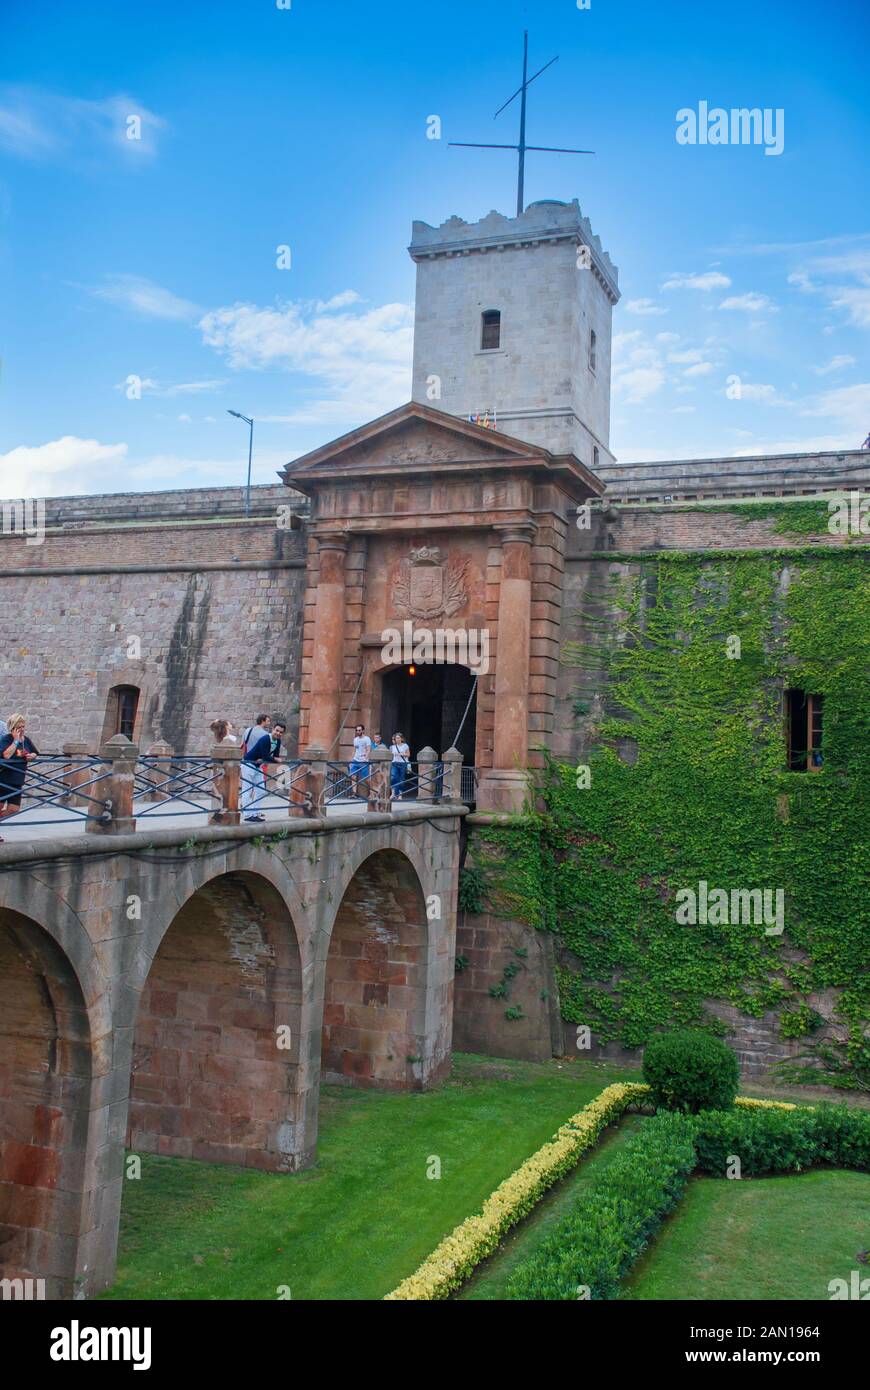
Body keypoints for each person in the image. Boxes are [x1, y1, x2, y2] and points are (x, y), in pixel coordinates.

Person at [0, 714, 39, 840]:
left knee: (13, 809)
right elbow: (6, 755)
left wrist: (32, 756)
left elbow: (35, 752)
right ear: (13, 727)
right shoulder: (6, 739)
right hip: (3, 779)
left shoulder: (26, 740)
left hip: (17, 780)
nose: (22, 729)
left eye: (23, 726)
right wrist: (15, 740)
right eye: (19, 727)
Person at [240, 716, 272, 822]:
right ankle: (249, 814)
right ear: (263, 721)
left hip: (247, 761)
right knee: (251, 789)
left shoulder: (247, 731)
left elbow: (242, 746)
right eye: (268, 721)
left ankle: (253, 812)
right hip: (256, 763)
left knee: (250, 789)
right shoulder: (266, 735)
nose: (269, 722)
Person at [350, 724, 371, 798]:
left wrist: (366, 758)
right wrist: (351, 760)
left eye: (359, 730)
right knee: (353, 777)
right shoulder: (355, 739)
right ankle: (354, 793)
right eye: (356, 730)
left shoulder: (367, 739)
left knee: (366, 779)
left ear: (363, 730)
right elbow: (354, 750)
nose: (358, 731)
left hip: (363, 761)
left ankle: (373, 792)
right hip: (355, 760)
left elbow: (368, 750)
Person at [390, 731, 411, 800]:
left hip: (402, 763)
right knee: (393, 778)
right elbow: (390, 756)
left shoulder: (405, 745)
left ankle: (400, 794)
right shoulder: (392, 747)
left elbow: (408, 755)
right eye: (396, 738)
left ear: (401, 739)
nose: (397, 739)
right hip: (394, 763)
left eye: (398, 738)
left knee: (401, 779)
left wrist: (402, 754)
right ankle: (393, 793)